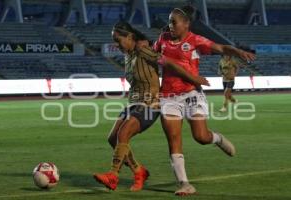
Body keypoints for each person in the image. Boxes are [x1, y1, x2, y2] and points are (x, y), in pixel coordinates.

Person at [93, 21, 210, 192]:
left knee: (123, 133)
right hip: (135, 103)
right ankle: (139, 171)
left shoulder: (143, 50)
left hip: (151, 103)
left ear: (130, 37)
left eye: (118, 40)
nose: (116, 45)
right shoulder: (129, 55)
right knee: (113, 138)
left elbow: (168, 63)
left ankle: (113, 175)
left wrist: (194, 78)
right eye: (114, 41)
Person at [153, 5, 256, 196]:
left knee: (201, 137)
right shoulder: (162, 39)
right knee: (174, 140)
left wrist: (237, 51)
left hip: (191, 93)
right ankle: (184, 184)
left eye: (174, 22)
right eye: (169, 21)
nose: (170, 25)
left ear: (186, 24)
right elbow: (152, 58)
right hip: (168, 97)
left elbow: (220, 47)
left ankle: (217, 138)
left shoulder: (195, 40)